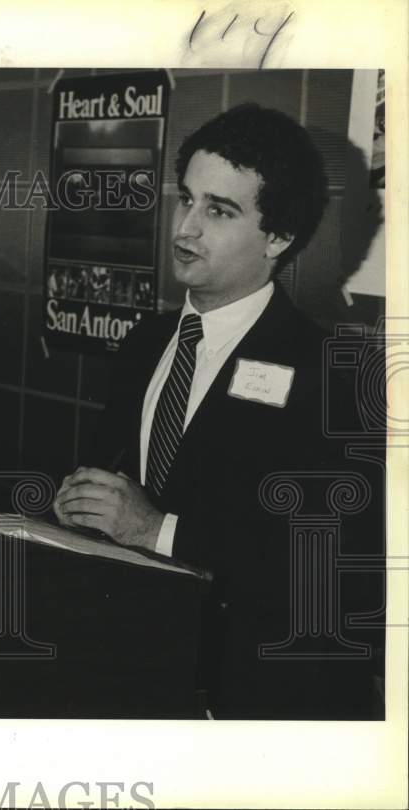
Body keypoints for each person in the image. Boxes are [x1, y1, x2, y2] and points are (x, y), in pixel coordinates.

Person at [53, 103, 382, 719]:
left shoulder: (333, 375)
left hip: (256, 704)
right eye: (186, 199)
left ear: (279, 238)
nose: (185, 229)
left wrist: (158, 531)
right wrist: (76, 503)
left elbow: (337, 577)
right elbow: (115, 482)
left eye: (219, 211)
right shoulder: (146, 343)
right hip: (136, 677)